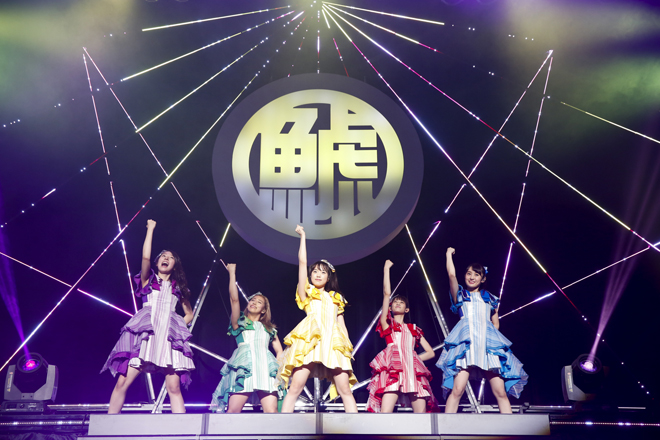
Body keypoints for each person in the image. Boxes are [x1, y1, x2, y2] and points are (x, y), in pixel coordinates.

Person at [101, 219, 195, 414]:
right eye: (162, 256)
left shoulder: (178, 288)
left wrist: (176, 325)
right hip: (146, 335)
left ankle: (182, 428)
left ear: (175, 265)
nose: (166, 258)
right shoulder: (148, 281)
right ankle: (109, 423)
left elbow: (189, 314)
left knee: (174, 388)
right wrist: (150, 229)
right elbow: (145, 258)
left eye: (170, 257)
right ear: (157, 261)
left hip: (168, 339)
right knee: (122, 382)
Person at [436, 247, 528, 413]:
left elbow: (495, 324)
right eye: (469, 273)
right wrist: (448, 255)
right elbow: (451, 275)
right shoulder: (461, 295)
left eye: (476, 274)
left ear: (483, 278)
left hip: (487, 346)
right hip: (467, 345)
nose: (472, 277)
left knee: (500, 391)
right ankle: (446, 425)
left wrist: (491, 340)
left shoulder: (491, 299)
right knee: (458, 389)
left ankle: (510, 426)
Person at [278, 225, 358, 413]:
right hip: (311, 339)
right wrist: (303, 237)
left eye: (323, 272)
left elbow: (341, 324)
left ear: (328, 277)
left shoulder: (336, 297)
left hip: (333, 341)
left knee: (345, 389)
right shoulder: (306, 292)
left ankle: (356, 426)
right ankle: (283, 425)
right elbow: (302, 262)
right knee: (296, 386)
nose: (318, 274)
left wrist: (347, 348)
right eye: (315, 271)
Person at [366, 260, 440, 413]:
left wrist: (412, 358)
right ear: (390, 308)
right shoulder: (387, 324)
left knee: (421, 415)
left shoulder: (413, 329)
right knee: (385, 413)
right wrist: (386, 269)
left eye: (401, 302)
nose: (398, 303)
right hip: (393, 370)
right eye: (395, 302)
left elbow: (430, 353)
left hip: (412, 371)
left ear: (407, 309)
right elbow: (387, 294)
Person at [210, 263, 283, 413]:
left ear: (264, 310)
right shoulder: (239, 323)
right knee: (233, 411)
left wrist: (280, 371)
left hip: (265, 368)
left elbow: (280, 352)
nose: (254, 302)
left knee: (272, 412)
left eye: (259, 302)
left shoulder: (270, 329)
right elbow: (234, 299)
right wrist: (232, 273)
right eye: (252, 300)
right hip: (244, 368)